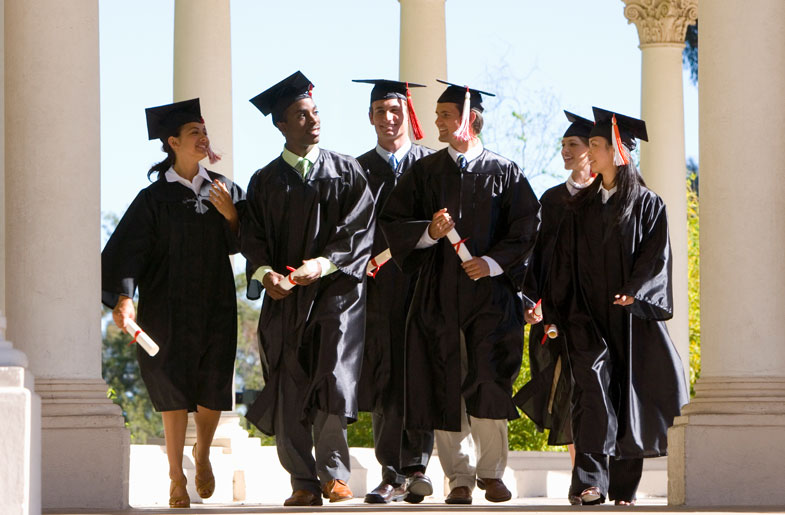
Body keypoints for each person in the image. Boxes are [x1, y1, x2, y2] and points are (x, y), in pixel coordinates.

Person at [379, 80, 540, 504]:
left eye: (446, 115)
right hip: (437, 295)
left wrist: (489, 263)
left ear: (470, 118)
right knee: (443, 381)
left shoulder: (505, 172)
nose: (437, 122)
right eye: (437, 116)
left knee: (488, 380)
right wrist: (429, 233)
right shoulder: (425, 172)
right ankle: (459, 479)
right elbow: (394, 221)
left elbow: (526, 229)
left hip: (489, 298)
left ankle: (491, 473)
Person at [241, 71, 375, 507]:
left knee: (333, 377)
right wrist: (266, 275)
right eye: (301, 115)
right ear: (281, 124)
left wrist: (320, 265)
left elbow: (360, 230)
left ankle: (334, 474)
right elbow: (252, 238)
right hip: (285, 299)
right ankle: (301, 480)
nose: (313, 120)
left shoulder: (346, 170)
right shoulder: (264, 181)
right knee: (288, 385)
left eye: (315, 112)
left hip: (336, 296)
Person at [101, 98, 244, 509]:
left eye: (205, 132)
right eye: (195, 133)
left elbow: (248, 241)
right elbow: (129, 251)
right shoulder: (153, 199)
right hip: (165, 305)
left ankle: (201, 454)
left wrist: (231, 215)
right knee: (171, 387)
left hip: (214, 302)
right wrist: (125, 299)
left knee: (213, 385)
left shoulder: (224, 189)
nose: (204, 138)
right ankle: (176, 477)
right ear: (173, 142)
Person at [547, 107, 689, 505]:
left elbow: (655, 256)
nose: (588, 152)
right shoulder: (581, 206)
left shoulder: (647, 204)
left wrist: (635, 289)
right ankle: (590, 482)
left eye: (596, 145)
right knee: (592, 391)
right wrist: (554, 310)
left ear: (619, 151)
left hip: (630, 317)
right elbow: (564, 262)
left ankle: (624, 489)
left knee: (629, 396)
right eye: (589, 145)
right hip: (586, 315)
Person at [352, 79, 435, 504]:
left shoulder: (433, 166)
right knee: (385, 379)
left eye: (396, 109)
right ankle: (390, 473)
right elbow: (350, 229)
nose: (389, 118)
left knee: (421, 373)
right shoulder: (357, 168)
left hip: (424, 287)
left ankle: (417, 468)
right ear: (370, 117)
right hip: (378, 290)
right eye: (381, 110)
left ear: (409, 114)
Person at [514, 110, 595, 469]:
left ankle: (601, 472)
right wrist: (531, 301)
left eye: (572, 145)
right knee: (567, 390)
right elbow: (539, 256)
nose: (565, 151)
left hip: (596, 311)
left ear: (592, 150)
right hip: (561, 312)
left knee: (596, 389)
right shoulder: (552, 199)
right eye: (562, 145)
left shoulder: (607, 198)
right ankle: (582, 475)